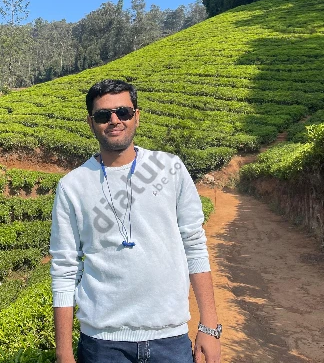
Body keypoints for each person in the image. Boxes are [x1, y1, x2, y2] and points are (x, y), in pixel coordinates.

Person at [50, 79, 222, 363]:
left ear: (136, 116)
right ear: (91, 123)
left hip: (170, 339)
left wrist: (209, 326)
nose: (114, 120)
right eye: (103, 115)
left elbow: (194, 246)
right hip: (102, 345)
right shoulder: (72, 186)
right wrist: (64, 352)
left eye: (123, 112)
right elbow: (64, 269)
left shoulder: (170, 168)